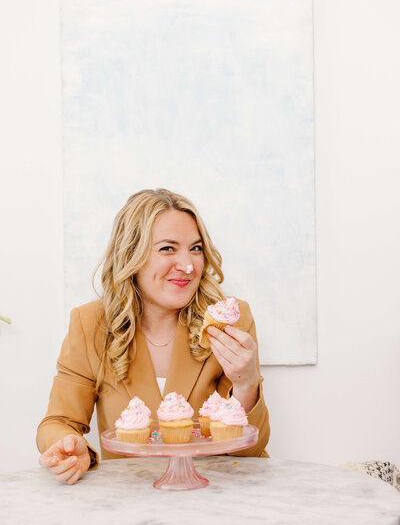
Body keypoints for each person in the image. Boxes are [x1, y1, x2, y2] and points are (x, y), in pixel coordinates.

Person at [37, 188, 270, 484]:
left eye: (196, 248)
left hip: (212, 499)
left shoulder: (230, 322)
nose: (188, 265)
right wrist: (70, 445)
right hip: (128, 502)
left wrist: (246, 383)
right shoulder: (90, 324)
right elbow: (58, 422)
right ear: (131, 255)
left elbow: (252, 453)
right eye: (167, 249)